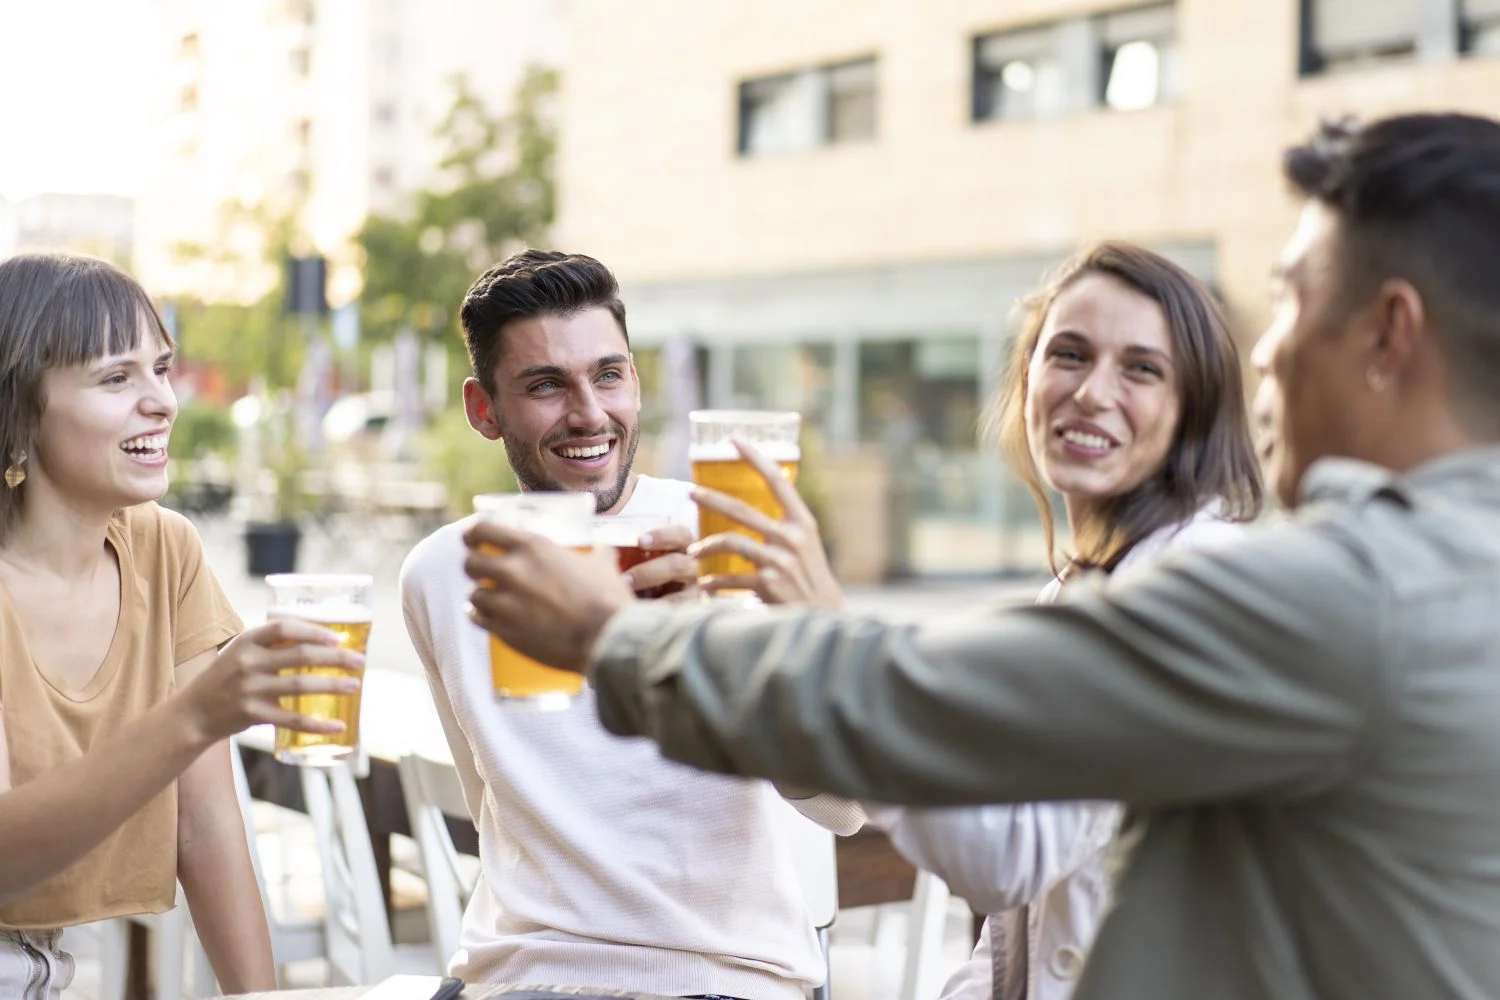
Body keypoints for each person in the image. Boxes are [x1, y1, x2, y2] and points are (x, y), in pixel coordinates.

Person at [462, 112, 1500, 1000]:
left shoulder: (1329, 589)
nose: (1268, 349)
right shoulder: (1419, 572)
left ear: (1388, 335)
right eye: (1068, 353)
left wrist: (613, 633)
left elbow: (964, 792)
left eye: (1293, 299)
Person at [690, 240, 1262, 1000]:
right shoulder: (1081, 592)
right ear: (1027, 376)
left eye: (1141, 368)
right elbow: (1011, 944)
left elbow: (1004, 861)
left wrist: (834, 639)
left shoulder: (1197, 586)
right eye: (1069, 353)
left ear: (1194, 408)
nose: (1093, 391)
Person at [398, 249, 863, 999]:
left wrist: (719, 658)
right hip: (512, 980)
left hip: (719, 979)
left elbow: (844, 807)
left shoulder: (729, 539)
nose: (589, 414)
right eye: (546, 385)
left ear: (636, 381)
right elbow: (499, 810)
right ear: (485, 410)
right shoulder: (439, 572)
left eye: (607, 375)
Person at [0, 252, 364, 997]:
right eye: (115, 378)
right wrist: (194, 716)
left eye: (161, 369)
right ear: (18, 410)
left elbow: (206, 828)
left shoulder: (163, 549)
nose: (163, 401)